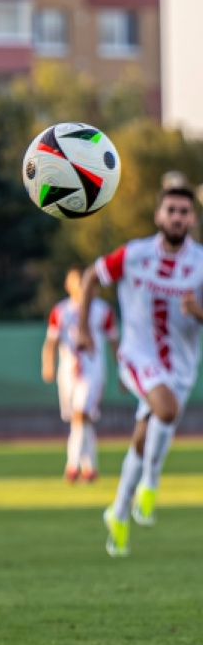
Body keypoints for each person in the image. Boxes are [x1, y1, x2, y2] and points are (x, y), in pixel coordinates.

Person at [78, 185, 203, 557]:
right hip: (136, 353)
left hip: (180, 365)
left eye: (184, 211)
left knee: (143, 438)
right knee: (166, 409)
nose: (177, 217)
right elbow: (90, 278)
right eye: (171, 210)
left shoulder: (200, 263)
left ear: (192, 219)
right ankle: (150, 483)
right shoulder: (133, 254)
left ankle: (117, 513)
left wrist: (197, 312)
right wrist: (83, 328)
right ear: (159, 216)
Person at [41, 265, 119, 482]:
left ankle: (72, 466)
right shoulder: (61, 311)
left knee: (80, 414)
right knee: (81, 420)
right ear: (68, 285)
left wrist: (122, 370)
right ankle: (90, 468)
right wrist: (48, 364)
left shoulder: (103, 310)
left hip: (93, 370)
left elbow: (114, 342)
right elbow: (51, 342)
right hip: (67, 372)